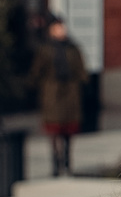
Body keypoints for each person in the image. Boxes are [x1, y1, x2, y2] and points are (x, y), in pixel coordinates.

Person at [28, 16, 90, 175]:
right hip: (52, 93)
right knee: (54, 130)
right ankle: (56, 162)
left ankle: (68, 162)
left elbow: (81, 70)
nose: (61, 31)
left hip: (70, 93)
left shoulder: (73, 49)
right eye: (57, 28)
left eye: (62, 27)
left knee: (69, 130)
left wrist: (82, 82)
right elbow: (37, 72)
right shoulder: (46, 49)